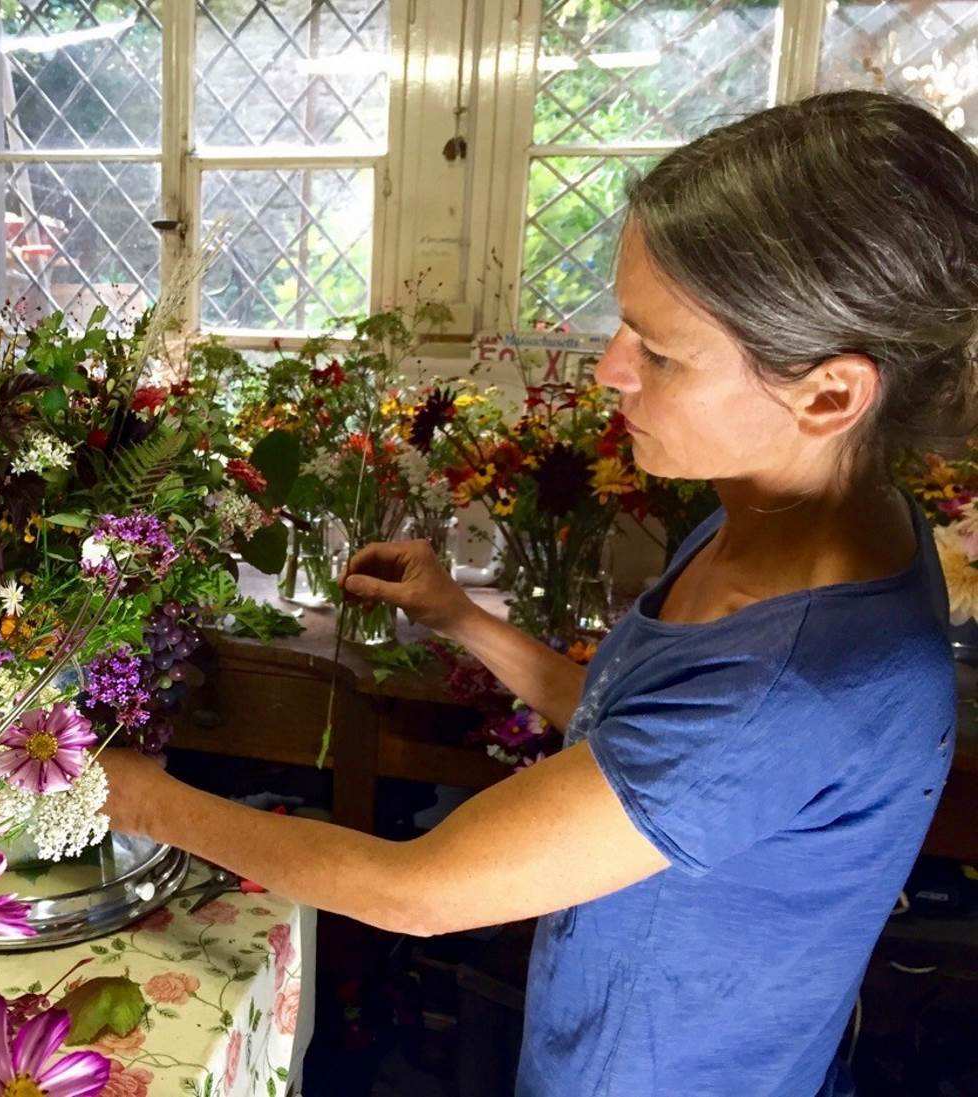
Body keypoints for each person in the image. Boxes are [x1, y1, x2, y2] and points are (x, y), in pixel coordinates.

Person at [99, 91, 978, 1095]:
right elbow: (627, 742)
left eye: (658, 351)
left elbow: (416, 890)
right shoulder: (800, 517)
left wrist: (140, 793)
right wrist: (460, 616)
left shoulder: (789, 686)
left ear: (827, 392)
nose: (609, 367)